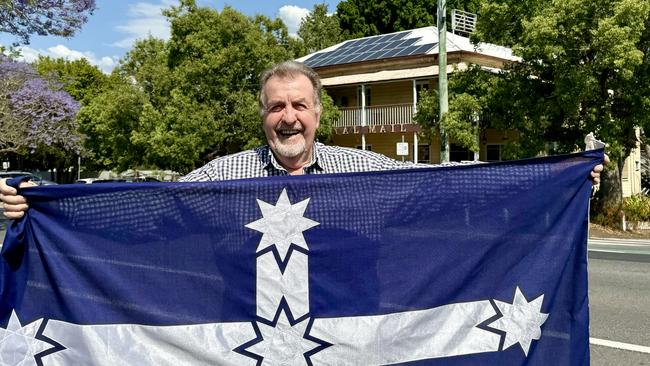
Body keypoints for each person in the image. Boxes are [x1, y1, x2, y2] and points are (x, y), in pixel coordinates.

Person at [0, 61, 606, 218]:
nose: (288, 117)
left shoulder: (362, 166)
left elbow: (447, 190)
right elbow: (151, 205)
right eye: (276, 107)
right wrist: (41, 201)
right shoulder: (221, 176)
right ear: (262, 116)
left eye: (299, 106)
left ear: (319, 115)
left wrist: (558, 179)